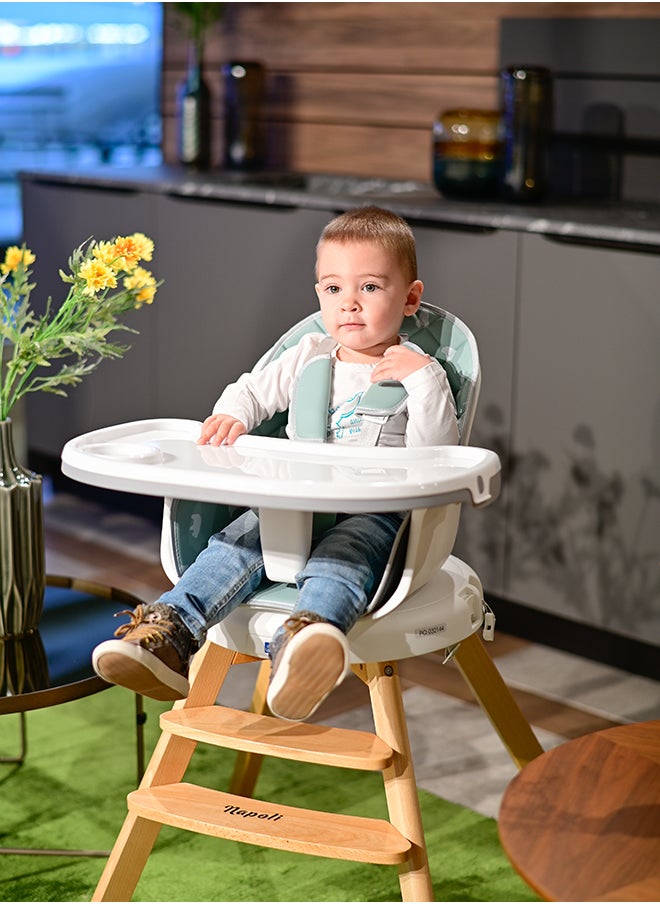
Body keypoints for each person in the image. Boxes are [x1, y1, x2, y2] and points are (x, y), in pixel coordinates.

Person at [92, 206, 459, 721]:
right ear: (319, 296)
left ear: (410, 298)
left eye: (370, 288)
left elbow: (439, 455)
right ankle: (168, 636)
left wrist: (422, 379)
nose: (349, 304)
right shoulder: (309, 354)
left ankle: (304, 646)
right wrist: (230, 416)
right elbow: (251, 390)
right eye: (333, 290)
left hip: (374, 515)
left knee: (342, 562)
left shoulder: (422, 373)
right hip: (289, 505)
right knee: (231, 549)